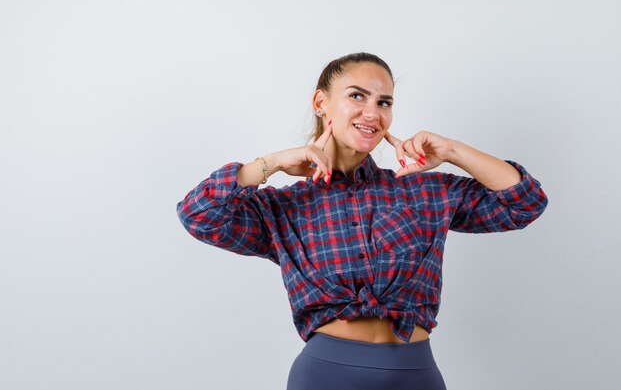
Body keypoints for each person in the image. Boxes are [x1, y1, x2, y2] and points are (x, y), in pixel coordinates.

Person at [176, 52, 549, 390]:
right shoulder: (284, 207)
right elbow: (199, 215)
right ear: (322, 103)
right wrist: (270, 163)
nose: (372, 112)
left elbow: (524, 203)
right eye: (357, 96)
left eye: (383, 102)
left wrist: (451, 151)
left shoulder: (424, 192)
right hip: (325, 376)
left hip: (417, 376)